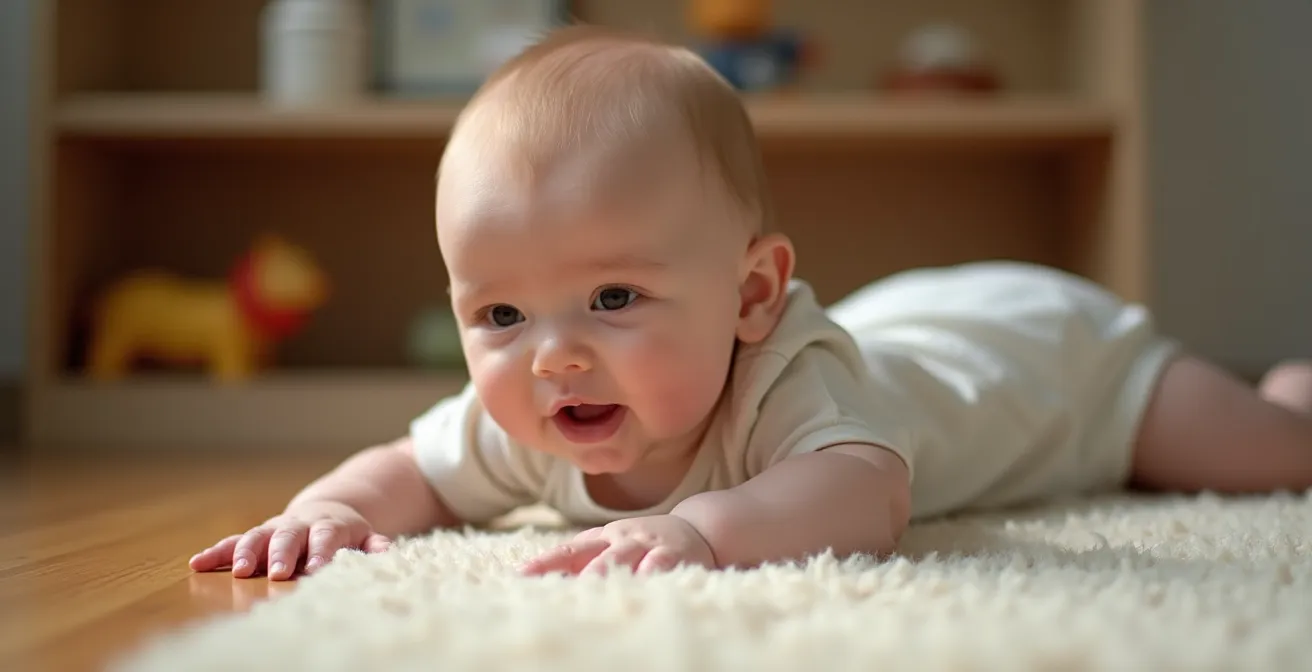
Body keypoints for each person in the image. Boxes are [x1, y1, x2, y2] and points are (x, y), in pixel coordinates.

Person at [190, 26, 1312, 581]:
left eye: (612, 296)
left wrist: (699, 529)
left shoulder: (793, 380)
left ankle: (1284, 392)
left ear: (753, 295)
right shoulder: (531, 406)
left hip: (1056, 361)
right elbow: (413, 467)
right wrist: (329, 509)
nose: (554, 360)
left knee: (1267, 453)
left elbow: (864, 498)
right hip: (920, 319)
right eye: (500, 317)